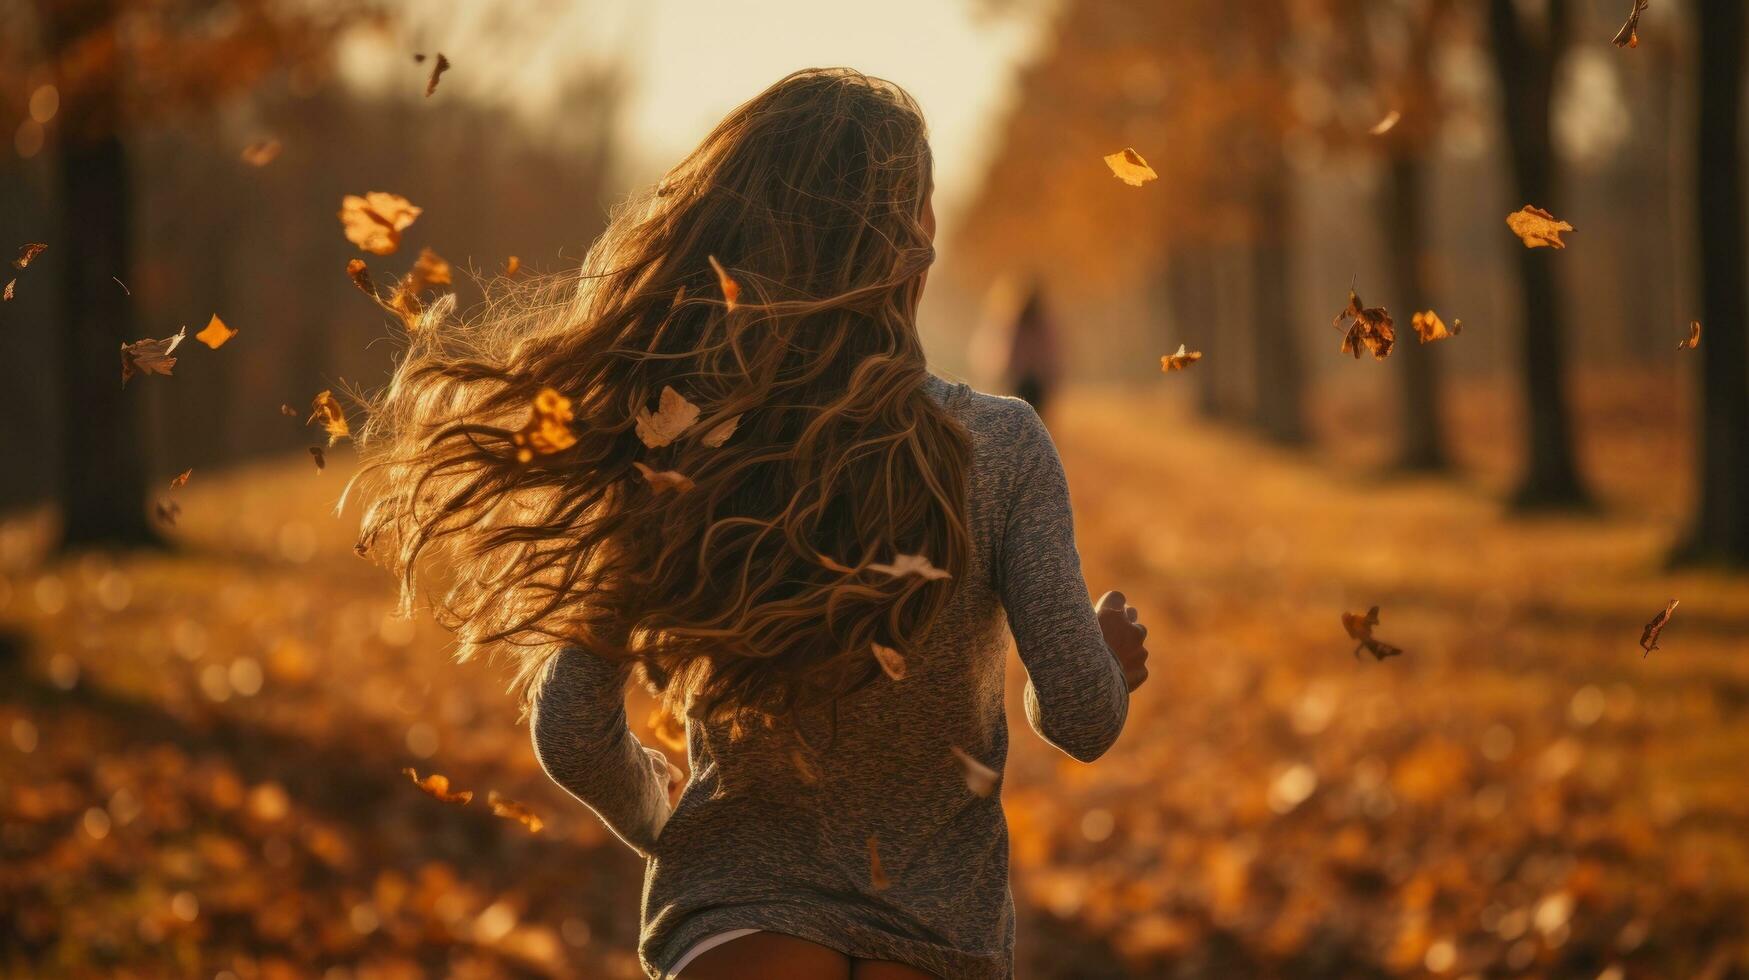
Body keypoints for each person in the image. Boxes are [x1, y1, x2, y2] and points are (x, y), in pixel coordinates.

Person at [350, 68, 1150, 980]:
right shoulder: (1002, 447)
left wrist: (669, 824)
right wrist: (1094, 663)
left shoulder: (687, 436)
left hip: (735, 926)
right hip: (940, 941)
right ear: (913, 242)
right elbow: (1081, 718)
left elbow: (573, 728)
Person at [968, 276, 1062, 417]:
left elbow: (1050, 355)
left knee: (1030, 420)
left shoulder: (1040, 325)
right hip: (1018, 381)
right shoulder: (1010, 324)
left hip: (1032, 383)